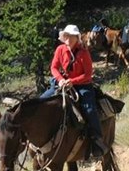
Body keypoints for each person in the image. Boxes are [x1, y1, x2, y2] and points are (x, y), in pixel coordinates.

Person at [40, 24, 109, 159]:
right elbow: (53, 68)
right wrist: (60, 79)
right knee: (42, 101)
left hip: (82, 85)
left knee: (89, 109)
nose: (68, 39)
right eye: (66, 36)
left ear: (77, 38)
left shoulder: (83, 53)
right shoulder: (60, 49)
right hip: (63, 83)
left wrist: (73, 81)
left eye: (71, 36)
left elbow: (88, 74)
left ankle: (97, 139)